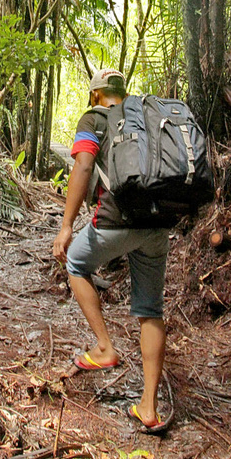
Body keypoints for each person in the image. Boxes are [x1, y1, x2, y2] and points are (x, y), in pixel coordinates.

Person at [53, 69, 172, 435]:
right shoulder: (142, 117)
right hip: (157, 226)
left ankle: (105, 348)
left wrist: (67, 224)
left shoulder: (94, 118)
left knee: (75, 262)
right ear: (121, 92)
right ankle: (148, 408)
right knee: (150, 310)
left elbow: (84, 164)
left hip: (115, 221)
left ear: (95, 95)